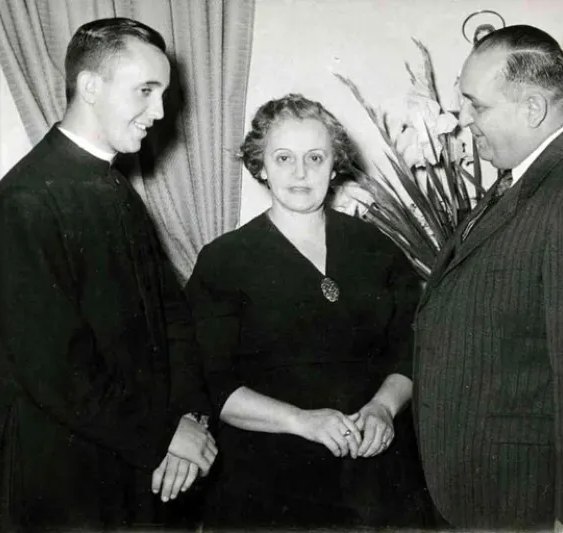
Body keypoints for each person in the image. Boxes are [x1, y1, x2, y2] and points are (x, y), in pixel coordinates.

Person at [0, 18, 217, 532]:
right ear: (89, 87)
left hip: (131, 458)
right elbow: (54, 368)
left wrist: (188, 417)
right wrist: (163, 437)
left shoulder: (113, 186)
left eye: (163, 93)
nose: (159, 112)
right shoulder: (26, 198)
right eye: (145, 92)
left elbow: (171, 317)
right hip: (62, 477)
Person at [413, 25, 563, 532]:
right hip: (492, 488)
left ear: (532, 109)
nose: (464, 121)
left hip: (528, 498)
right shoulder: (537, 173)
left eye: (476, 106)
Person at [185, 94, 432, 530]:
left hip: (375, 478)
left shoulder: (374, 248)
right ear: (260, 166)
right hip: (269, 484)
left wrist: (383, 408)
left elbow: (412, 347)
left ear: (335, 165)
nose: (300, 173)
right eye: (284, 158)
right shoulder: (224, 261)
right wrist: (302, 422)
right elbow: (213, 384)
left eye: (315, 157)